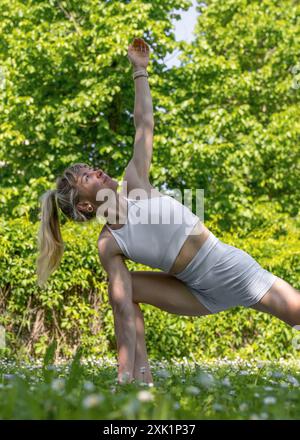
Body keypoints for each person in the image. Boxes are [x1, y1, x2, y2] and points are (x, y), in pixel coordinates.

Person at [37, 38, 300, 385]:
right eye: (87, 175)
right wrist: (123, 369)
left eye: (90, 167)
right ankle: (136, 381)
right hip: (193, 292)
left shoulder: (135, 183)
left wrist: (139, 70)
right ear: (86, 205)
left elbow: (144, 126)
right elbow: (121, 308)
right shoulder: (109, 243)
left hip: (230, 270)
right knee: (124, 290)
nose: (96, 170)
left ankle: (134, 380)